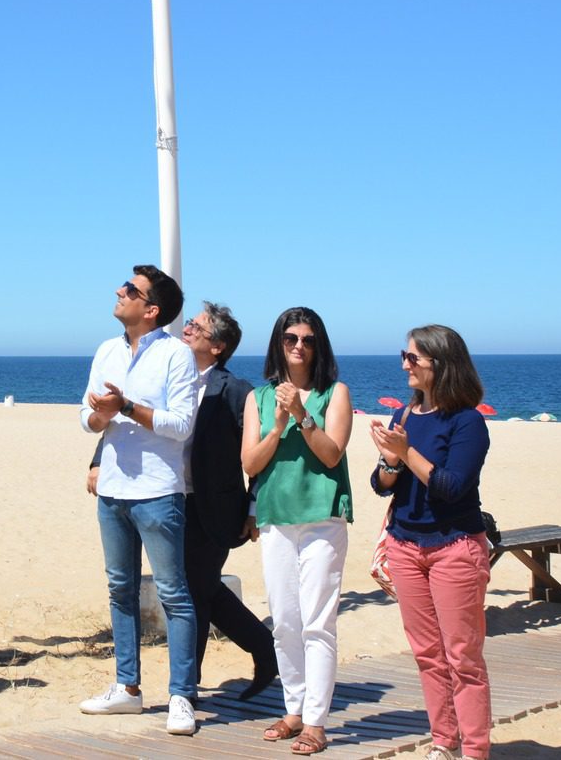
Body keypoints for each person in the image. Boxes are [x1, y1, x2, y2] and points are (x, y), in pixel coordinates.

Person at [77, 267, 200, 736]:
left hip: (158, 491)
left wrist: (126, 407)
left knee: (174, 594)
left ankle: (182, 695)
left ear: (151, 310)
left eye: (130, 289)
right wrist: (100, 416)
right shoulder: (106, 350)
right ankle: (127, 687)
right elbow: (85, 416)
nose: (119, 291)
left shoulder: (176, 355)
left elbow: (181, 425)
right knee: (120, 589)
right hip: (112, 490)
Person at [370, 325, 493, 760]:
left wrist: (405, 453)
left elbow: (451, 487)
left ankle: (475, 750)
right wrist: (390, 461)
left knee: (463, 658)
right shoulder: (404, 416)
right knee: (427, 654)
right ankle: (444, 741)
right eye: (403, 356)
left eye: (413, 358)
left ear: (440, 364)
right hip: (405, 546)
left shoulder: (467, 421)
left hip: (455, 546)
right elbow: (381, 485)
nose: (405, 364)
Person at [241, 306, 354, 756]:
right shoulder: (258, 398)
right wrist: (278, 426)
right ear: (279, 343)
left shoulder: (335, 393)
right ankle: (293, 710)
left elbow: (331, 454)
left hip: (323, 516)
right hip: (276, 517)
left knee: (318, 622)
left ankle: (316, 721)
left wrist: (303, 415)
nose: (299, 346)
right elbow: (250, 463)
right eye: (291, 338)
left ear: (318, 345)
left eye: (308, 339)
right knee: (285, 620)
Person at [180, 303, 279, 701]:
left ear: (217, 346)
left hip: (213, 509)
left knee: (195, 591)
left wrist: (254, 507)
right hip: (169, 502)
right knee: (199, 589)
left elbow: (259, 455)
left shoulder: (237, 391)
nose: (187, 328)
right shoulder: (171, 378)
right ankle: (264, 648)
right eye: (190, 322)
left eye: (197, 326)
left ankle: (186, 686)